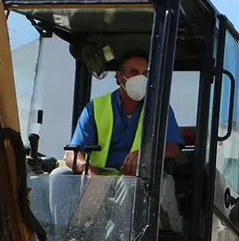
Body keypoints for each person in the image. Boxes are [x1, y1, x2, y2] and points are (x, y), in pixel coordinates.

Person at [64, 48, 183, 176]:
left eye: (145, 74)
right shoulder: (96, 108)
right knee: (58, 176)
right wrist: (85, 168)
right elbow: (72, 153)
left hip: (138, 179)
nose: (141, 78)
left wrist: (146, 154)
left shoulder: (159, 109)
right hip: (99, 177)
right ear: (120, 77)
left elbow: (173, 148)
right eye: (134, 72)